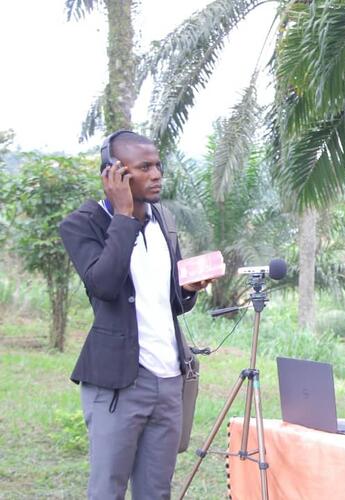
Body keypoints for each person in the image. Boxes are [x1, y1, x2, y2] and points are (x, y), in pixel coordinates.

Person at [59, 130, 211, 500]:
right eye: (144, 167)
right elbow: (105, 285)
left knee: (156, 491)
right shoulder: (82, 224)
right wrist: (124, 215)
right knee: (107, 490)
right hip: (118, 383)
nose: (156, 174)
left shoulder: (163, 221)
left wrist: (187, 289)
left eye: (158, 165)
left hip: (169, 379)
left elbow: (169, 302)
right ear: (114, 174)